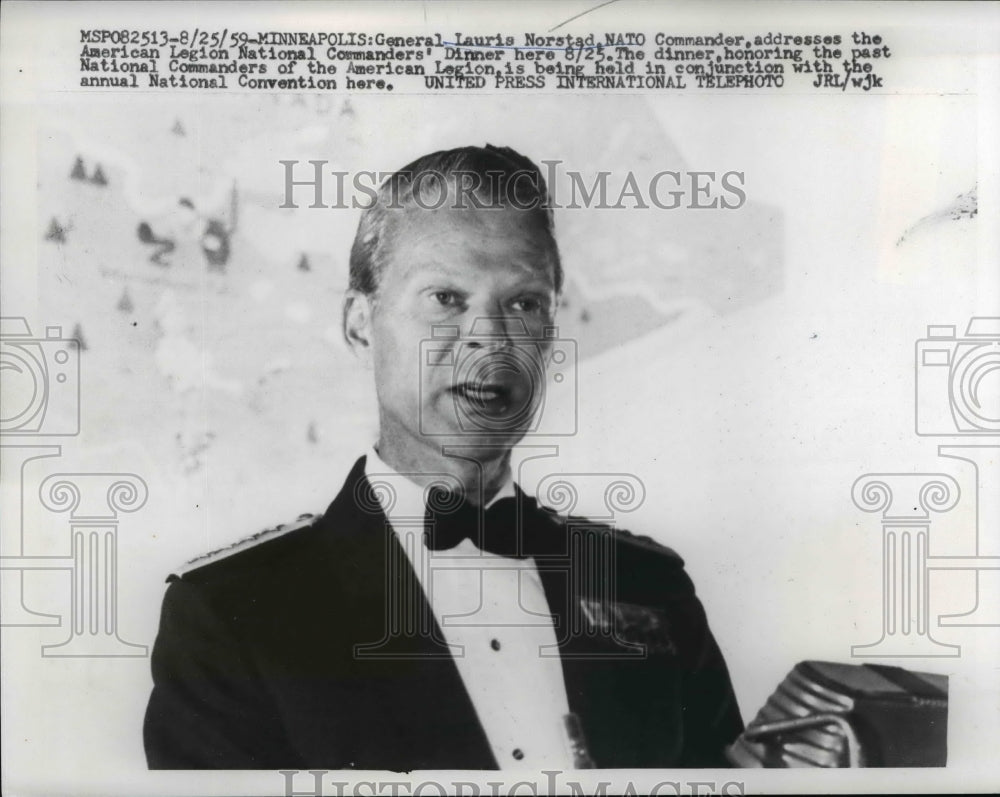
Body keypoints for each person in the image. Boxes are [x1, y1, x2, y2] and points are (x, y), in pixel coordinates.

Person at [143, 145, 743, 770]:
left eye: (524, 302)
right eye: (446, 298)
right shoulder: (232, 613)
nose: (489, 337)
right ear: (359, 324)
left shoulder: (649, 586)